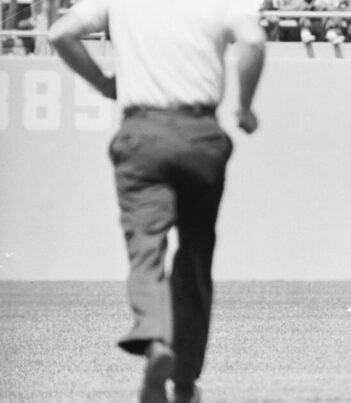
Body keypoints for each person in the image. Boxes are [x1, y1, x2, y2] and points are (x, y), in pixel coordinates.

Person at [47, 0, 266, 402]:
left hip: (141, 135)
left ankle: (154, 339)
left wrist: (103, 83)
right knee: (196, 256)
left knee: (145, 250)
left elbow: (60, 33)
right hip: (200, 135)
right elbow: (252, 39)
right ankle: (184, 382)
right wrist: (245, 107)